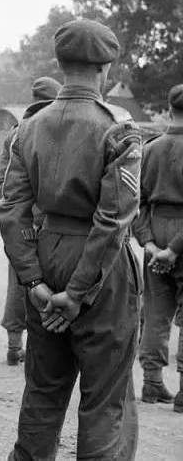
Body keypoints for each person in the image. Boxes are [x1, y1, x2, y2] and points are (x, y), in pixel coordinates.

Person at [0, 19, 141, 460]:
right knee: (104, 401)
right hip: (101, 269)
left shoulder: (28, 128)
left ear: (59, 65)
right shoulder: (117, 128)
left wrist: (33, 281)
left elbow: (11, 209)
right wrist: (77, 293)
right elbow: (113, 219)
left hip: (44, 256)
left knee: (42, 390)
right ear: (105, 69)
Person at [0, 76, 61, 366]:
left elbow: (2, 183)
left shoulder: (16, 133)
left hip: (21, 222)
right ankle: (41, 348)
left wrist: (21, 215)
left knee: (19, 280)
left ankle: (13, 344)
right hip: (48, 224)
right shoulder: (55, 130)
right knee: (48, 282)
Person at [133, 83, 183, 412]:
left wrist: (150, 244)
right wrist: (175, 249)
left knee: (154, 310)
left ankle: (151, 382)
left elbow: (135, 202)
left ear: (169, 108)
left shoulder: (150, 149)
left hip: (155, 228)